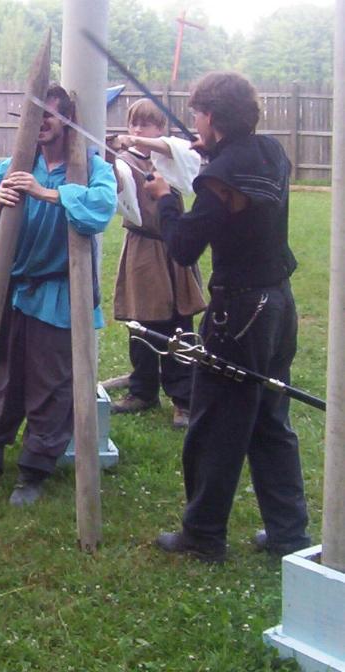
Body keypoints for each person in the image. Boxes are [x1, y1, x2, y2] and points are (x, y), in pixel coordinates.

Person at [147, 72, 310, 563]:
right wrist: (213, 155)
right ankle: (288, 534)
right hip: (278, 304)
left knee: (216, 422)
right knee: (270, 419)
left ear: (212, 117)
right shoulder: (271, 152)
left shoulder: (221, 175)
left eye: (198, 114)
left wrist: (166, 199)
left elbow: (184, 246)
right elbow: (243, 191)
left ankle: (202, 536)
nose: (194, 122)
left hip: (239, 312)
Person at [0, 85, 117, 506]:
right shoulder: (14, 165)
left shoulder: (91, 167)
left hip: (59, 289)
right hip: (12, 287)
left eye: (48, 115)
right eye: (34, 116)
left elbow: (100, 209)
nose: (40, 124)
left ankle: (34, 468)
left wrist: (47, 192)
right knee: (2, 375)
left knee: (51, 383)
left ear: (66, 121)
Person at [103, 99, 206, 429]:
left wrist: (136, 141)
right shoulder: (125, 160)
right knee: (142, 321)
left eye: (145, 124)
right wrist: (110, 155)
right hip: (143, 248)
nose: (137, 129)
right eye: (133, 124)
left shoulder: (171, 156)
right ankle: (143, 390)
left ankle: (183, 397)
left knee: (179, 323)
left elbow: (185, 152)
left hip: (173, 247)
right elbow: (116, 186)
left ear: (160, 128)